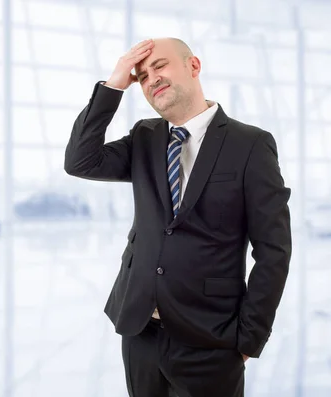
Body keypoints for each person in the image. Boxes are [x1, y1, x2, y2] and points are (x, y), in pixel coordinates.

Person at [64, 38, 292, 397]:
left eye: (160, 66)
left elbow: (273, 250)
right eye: (141, 76)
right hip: (141, 331)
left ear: (194, 66)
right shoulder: (144, 137)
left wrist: (250, 337)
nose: (151, 79)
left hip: (211, 338)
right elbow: (80, 160)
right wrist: (115, 83)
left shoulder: (250, 144)